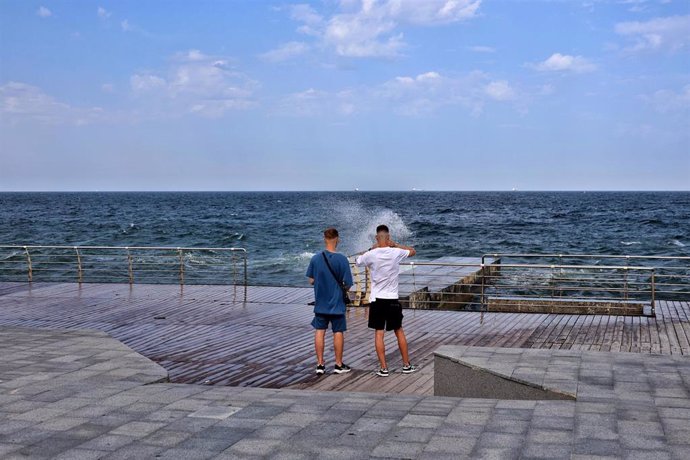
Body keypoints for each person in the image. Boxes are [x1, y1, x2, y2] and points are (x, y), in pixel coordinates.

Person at [356, 224, 417, 377]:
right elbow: (412, 251)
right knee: (399, 331)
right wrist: (395, 244)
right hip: (392, 299)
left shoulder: (372, 254)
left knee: (379, 333)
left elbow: (357, 261)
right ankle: (406, 365)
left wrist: (372, 248)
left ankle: (384, 368)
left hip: (377, 300)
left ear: (377, 238)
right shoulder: (395, 252)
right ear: (388, 237)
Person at [306, 227, 353, 375]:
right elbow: (349, 283)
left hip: (320, 302)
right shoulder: (342, 259)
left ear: (324, 239)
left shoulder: (315, 258)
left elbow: (311, 280)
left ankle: (320, 364)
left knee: (320, 332)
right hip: (337, 303)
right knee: (338, 332)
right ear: (337, 239)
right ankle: (338, 365)